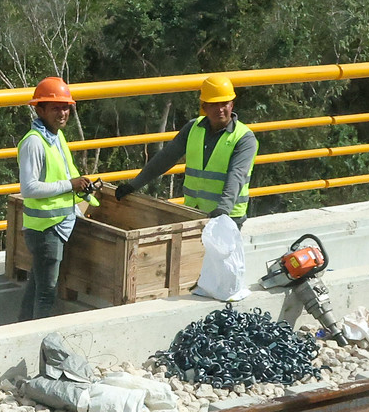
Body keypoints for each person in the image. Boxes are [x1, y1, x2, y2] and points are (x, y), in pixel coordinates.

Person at [114, 74, 257, 225]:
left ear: (231, 105)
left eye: (224, 103)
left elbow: (236, 176)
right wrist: (133, 185)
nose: (220, 109)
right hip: (194, 213)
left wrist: (223, 210)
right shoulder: (192, 128)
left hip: (226, 218)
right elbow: (165, 158)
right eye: (214, 104)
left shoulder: (244, 138)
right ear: (204, 107)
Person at [16, 76, 103, 321]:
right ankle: (38, 342)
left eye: (66, 107)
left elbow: (67, 172)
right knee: (46, 293)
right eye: (55, 108)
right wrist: (69, 185)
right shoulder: (34, 143)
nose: (62, 112)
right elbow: (29, 188)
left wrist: (83, 185)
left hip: (55, 224)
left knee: (36, 285)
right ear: (39, 109)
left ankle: (22, 330)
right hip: (45, 228)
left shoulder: (56, 137)